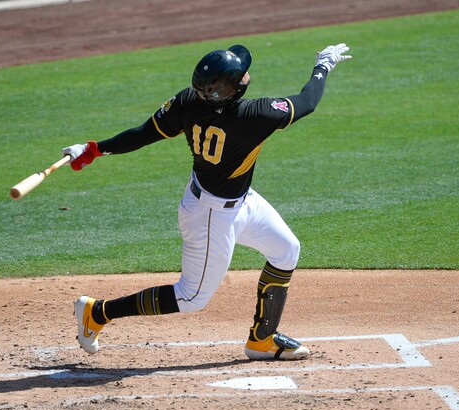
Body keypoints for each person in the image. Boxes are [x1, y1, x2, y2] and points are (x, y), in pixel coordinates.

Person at [62, 43, 351, 360]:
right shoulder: (254, 115)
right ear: (231, 89)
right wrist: (323, 64)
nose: (246, 73)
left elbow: (144, 133)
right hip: (212, 216)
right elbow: (307, 101)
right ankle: (98, 312)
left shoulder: (188, 101)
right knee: (191, 297)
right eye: (240, 73)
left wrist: (93, 150)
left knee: (286, 250)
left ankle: (262, 340)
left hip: (236, 201)